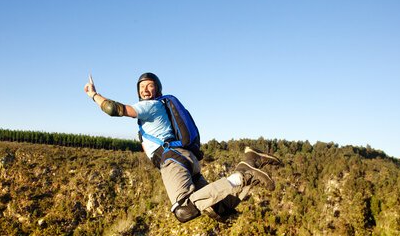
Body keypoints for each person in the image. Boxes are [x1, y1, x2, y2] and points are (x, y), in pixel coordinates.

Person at [84, 72, 280, 223]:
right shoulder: (158, 109)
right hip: (186, 159)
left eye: (150, 86)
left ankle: (243, 175)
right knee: (218, 210)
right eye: (142, 86)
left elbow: (114, 109)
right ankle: (251, 161)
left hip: (173, 158)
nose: (145, 90)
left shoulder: (149, 106)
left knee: (183, 209)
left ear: (157, 90)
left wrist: (93, 95)